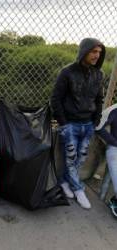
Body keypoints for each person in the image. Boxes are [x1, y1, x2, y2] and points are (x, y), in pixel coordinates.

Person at [51, 38, 106, 209]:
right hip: (70, 124)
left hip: (88, 124)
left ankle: (64, 181)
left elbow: (99, 99)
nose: (97, 55)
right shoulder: (67, 72)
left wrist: (96, 119)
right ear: (84, 51)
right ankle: (78, 188)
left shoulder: (99, 74)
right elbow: (55, 99)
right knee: (70, 158)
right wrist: (64, 123)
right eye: (93, 51)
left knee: (80, 158)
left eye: (99, 52)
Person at [95, 104, 117, 217]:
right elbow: (98, 126)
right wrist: (113, 142)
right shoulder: (114, 109)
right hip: (114, 149)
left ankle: (112, 200)